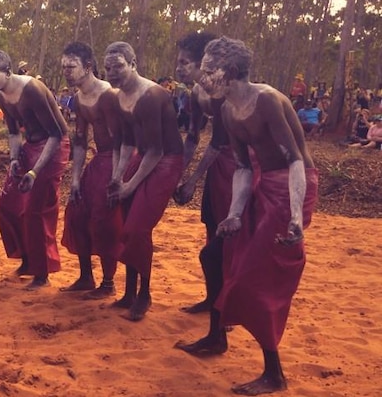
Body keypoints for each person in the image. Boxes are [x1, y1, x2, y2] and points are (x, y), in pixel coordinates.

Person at [192, 36, 317, 395]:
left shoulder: (265, 101)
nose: (202, 78)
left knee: (257, 277)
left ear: (228, 72)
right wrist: (232, 213)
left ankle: (274, 374)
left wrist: (295, 217)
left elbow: (294, 160)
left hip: (291, 187)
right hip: (262, 182)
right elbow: (244, 167)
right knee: (214, 255)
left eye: (208, 70)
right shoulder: (229, 110)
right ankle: (216, 336)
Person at [170, 31, 242, 355]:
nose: (178, 68)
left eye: (185, 62)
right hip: (218, 168)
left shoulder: (219, 93)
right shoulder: (195, 93)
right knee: (211, 230)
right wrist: (179, 174)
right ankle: (213, 300)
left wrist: (192, 180)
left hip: (234, 167)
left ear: (202, 63)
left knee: (225, 241)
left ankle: (224, 313)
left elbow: (219, 142)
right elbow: (193, 138)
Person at [103, 41, 184, 321]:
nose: (112, 73)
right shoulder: (117, 97)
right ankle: (129, 292)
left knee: (138, 228)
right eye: (108, 68)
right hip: (142, 155)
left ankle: (145, 294)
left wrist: (130, 185)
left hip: (166, 160)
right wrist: (117, 177)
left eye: (119, 66)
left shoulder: (152, 95)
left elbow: (158, 150)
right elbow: (124, 142)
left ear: (133, 63)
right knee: (125, 223)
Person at [0, 50, 69, 290]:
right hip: (30, 146)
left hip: (53, 146)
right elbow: (13, 132)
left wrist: (34, 172)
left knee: (34, 210)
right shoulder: (1, 95)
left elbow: (56, 133)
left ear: (8, 72)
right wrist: (13, 160)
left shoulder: (32, 89)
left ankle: (42, 273)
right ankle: (28, 259)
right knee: (8, 205)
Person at [58, 41, 123, 298]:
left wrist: (117, 178)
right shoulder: (78, 98)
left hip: (116, 160)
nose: (66, 71)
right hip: (98, 162)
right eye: (63, 67)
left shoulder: (107, 95)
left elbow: (121, 141)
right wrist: (75, 178)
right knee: (76, 212)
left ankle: (108, 283)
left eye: (71, 66)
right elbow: (81, 141)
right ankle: (86, 276)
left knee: (104, 220)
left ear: (87, 67)